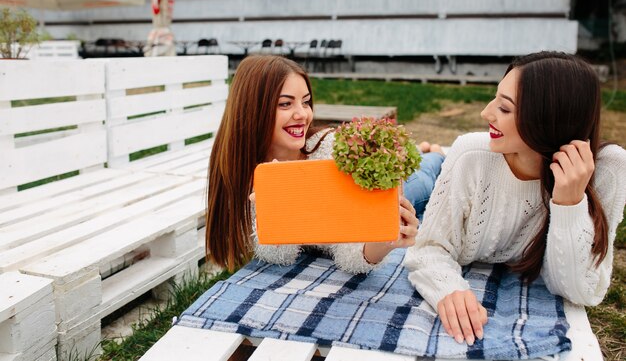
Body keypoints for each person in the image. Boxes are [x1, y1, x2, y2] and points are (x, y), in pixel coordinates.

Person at [404, 51, 626, 346]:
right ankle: (433, 156)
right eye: (495, 99)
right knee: (415, 185)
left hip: (465, 180)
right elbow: (427, 249)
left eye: (505, 109)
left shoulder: (608, 169)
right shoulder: (471, 153)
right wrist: (446, 288)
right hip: (438, 186)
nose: (486, 113)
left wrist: (568, 204)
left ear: (549, 118)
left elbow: (581, 291)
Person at [206, 55, 444, 272]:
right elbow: (279, 256)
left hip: (401, 188)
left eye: (306, 102)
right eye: (285, 104)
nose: (303, 114)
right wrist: (276, 211)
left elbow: (350, 247)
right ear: (252, 110)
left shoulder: (328, 151)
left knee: (425, 174)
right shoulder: (241, 172)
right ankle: (424, 150)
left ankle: (434, 153)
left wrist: (382, 244)